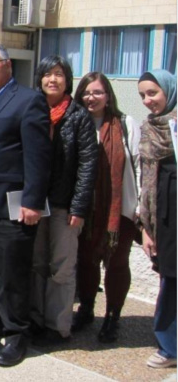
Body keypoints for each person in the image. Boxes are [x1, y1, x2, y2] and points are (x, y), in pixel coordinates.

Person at [0, 44, 51, 367]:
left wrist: (31, 202)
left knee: (12, 274)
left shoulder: (28, 101)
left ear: (8, 66)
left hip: (13, 207)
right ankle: (0, 320)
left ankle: (17, 333)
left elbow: (38, 158)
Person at [28, 56, 98, 345]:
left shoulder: (78, 116)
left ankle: (57, 326)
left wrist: (79, 207)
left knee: (62, 268)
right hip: (34, 202)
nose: (52, 80)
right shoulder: (32, 110)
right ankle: (35, 319)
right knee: (36, 264)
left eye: (58, 74)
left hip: (64, 205)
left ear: (68, 80)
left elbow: (87, 165)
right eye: (47, 74)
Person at [72, 72, 141, 344]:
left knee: (117, 263)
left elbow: (138, 164)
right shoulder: (76, 122)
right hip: (84, 209)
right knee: (85, 260)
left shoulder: (125, 124)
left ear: (108, 95)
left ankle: (113, 316)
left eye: (97, 92)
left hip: (119, 210)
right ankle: (87, 308)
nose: (92, 97)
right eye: (87, 92)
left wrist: (141, 207)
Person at [137, 69, 177, 369]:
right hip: (164, 218)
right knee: (170, 281)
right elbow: (146, 184)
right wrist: (147, 229)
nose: (149, 100)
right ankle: (169, 346)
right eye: (143, 96)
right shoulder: (150, 128)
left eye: (153, 93)